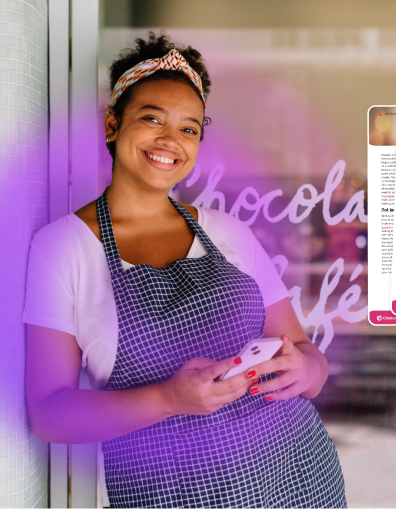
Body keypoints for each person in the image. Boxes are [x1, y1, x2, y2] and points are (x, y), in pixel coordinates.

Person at [22, 33, 347, 509]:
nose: (170, 140)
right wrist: (169, 399)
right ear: (113, 124)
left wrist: (307, 367)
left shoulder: (230, 233)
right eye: (152, 118)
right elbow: (49, 414)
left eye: (189, 128)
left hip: (299, 479)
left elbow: (307, 360)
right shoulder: (62, 248)